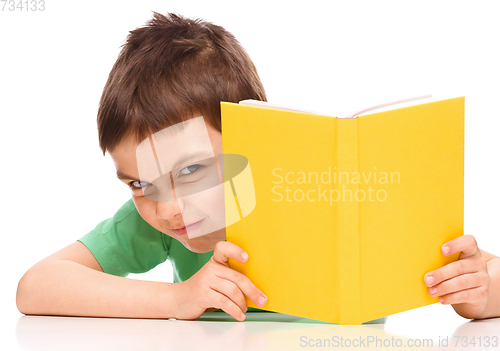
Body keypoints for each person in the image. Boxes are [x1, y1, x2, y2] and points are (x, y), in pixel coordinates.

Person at [16, 12, 500, 323]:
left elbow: (482, 273)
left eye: (190, 171)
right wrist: (174, 299)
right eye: (140, 183)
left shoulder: (321, 194)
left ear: (254, 142)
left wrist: (478, 293)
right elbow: (36, 287)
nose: (165, 207)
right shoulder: (167, 225)